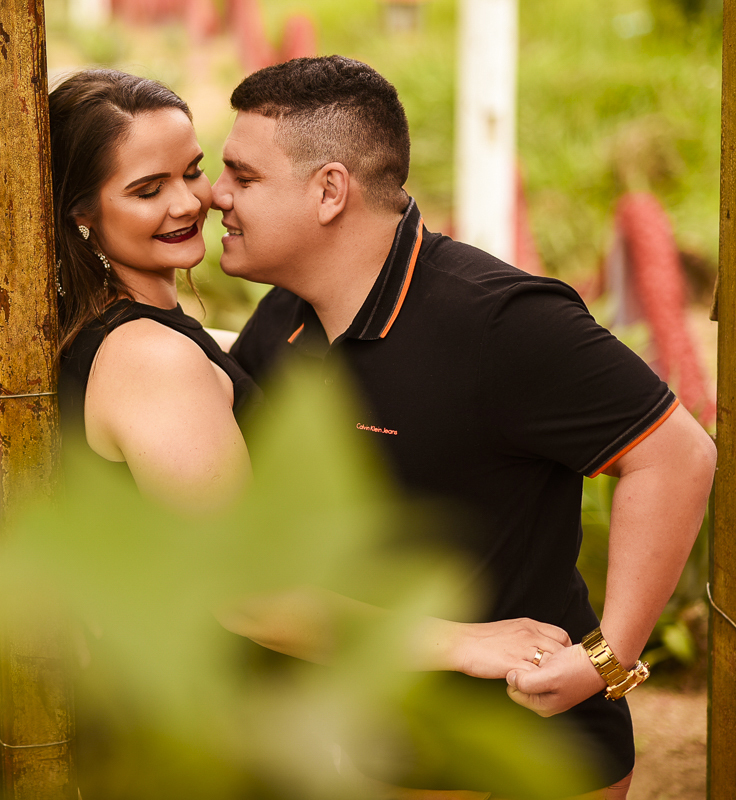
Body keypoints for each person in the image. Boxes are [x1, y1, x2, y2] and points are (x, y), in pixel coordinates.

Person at [49, 68, 585, 796]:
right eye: (148, 189)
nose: (189, 203)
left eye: (195, 172)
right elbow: (250, 595)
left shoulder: (136, 333)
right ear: (82, 210)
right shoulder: (153, 361)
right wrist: (468, 642)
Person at [210, 55, 716, 798]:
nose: (215, 195)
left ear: (329, 191)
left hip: (523, 747)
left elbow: (677, 455)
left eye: (243, 177)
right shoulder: (282, 319)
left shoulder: (501, 322)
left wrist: (610, 655)